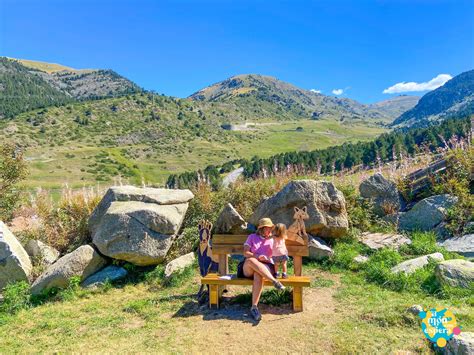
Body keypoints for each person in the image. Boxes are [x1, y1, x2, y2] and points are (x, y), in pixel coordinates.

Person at [237, 217, 286, 321]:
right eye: (268, 228)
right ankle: (275, 282)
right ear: (262, 228)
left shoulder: (273, 240)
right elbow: (245, 253)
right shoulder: (252, 237)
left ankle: (254, 307)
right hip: (249, 267)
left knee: (258, 274)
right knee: (251, 260)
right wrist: (258, 256)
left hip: (266, 267)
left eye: (271, 228)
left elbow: (279, 253)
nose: (270, 230)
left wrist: (269, 258)